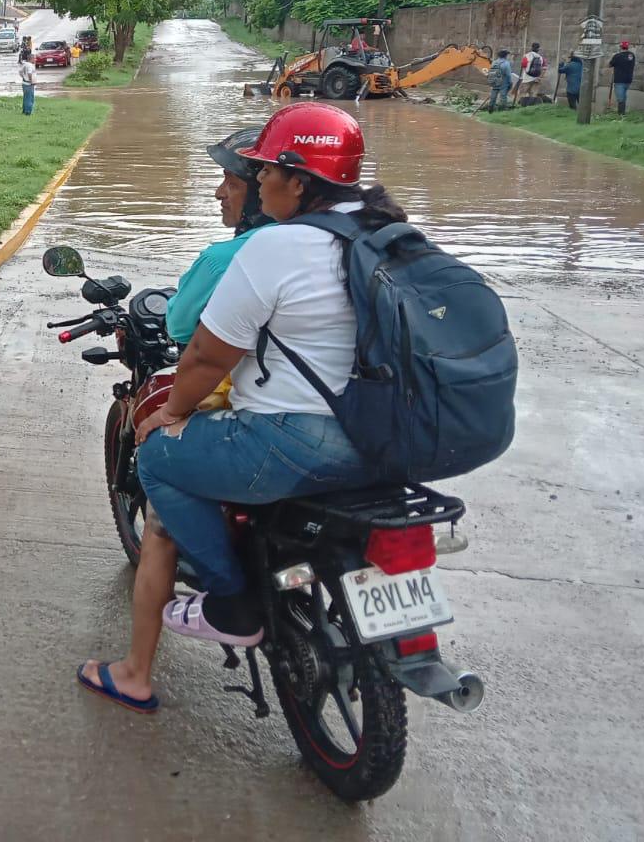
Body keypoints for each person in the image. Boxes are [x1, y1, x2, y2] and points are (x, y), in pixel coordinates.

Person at [134, 102, 398, 646]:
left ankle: (232, 601)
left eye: (266, 172)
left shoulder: (274, 245)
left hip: (298, 439)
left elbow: (207, 358)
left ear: (297, 182)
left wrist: (172, 411)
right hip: (389, 438)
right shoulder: (385, 233)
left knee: (157, 457)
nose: (260, 182)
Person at [76, 128, 272, 713]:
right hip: (353, 422)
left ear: (266, 192)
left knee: (161, 475)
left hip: (268, 425)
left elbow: (187, 333)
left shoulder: (232, 256)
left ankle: (138, 670)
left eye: (231, 183)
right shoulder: (345, 244)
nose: (218, 193)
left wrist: (173, 409)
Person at [610, 39, 636, 115]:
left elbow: (610, 64)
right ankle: (622, 113)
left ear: (621, 47)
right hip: (628, 80)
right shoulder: (632, 55)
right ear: (627, 47)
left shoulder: (617, 56)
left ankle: (621, 114)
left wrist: (613, 58)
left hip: (619, 80)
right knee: (623, 96)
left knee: (621, 99)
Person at [19, 49, 36, 115]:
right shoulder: (30, 65)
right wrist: (31, 81)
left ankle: (24, 110)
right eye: (34, 58)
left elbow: (20, 72)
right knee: (30, 98)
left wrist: (23, 77)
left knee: (26, 97)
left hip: (24, 83)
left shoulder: (25, 64)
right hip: (29, 84)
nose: (35, 60)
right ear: (31, 59)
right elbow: (29, 73)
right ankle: (28, 112)